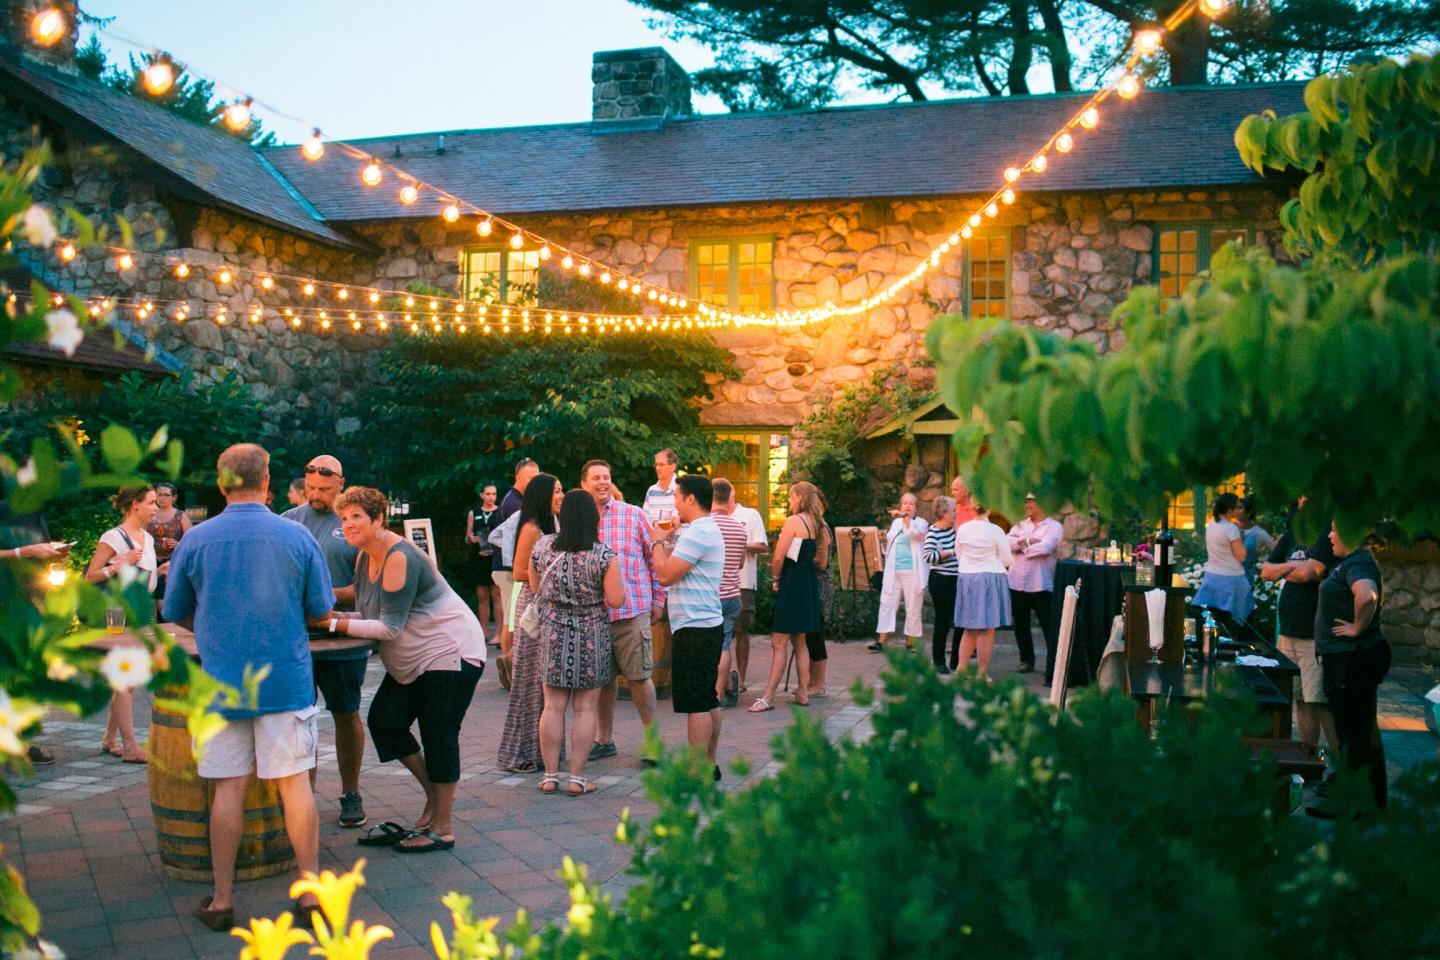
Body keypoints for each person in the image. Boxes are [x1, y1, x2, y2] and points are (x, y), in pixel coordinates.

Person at [163, 443, 327, 931]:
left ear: (220, 482)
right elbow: (318, 609)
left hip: (219, 684)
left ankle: (221, 899)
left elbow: (174, 611)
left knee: (226, 790)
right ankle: (312, 895)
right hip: (285, 679)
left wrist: (213, 631)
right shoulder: (296, 537)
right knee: (295, 786)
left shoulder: (196, 540)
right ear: (267, 479)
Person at [321, 487, 486, 852]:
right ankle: (434, 795)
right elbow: (366, 613)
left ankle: (442, 828)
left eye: (356, 518)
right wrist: (326, 610)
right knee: (385, 721)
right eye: (343, 518)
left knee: (439, 735)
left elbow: (388, 627)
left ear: (378, 519)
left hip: (449, 653)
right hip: (414, 659)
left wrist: (329, 624)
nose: (347, 525)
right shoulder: (366, 556)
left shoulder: (399, 557)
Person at [283, 455, 368, 830]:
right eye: (311, 489)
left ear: (341, 484)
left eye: (324, 489)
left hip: (342, 639)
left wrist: (320, 597)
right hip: (297, 640)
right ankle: (305, 800)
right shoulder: (288, 521)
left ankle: (351, 792)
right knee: (300, 719)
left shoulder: (353, 523)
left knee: (346, 713)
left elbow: (366, 588)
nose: (316, 495)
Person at [530, 490, 623, 796]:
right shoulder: (604, 555)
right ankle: (577, 779)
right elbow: (616, 599)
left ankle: (549, 776)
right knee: (585, 709)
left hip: (553, 633)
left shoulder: (542, 548)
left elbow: (534, 587)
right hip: (591, 635)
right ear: (592, 519)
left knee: (553, 706)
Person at [580, 460, 663, 764]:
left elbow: (655, 559)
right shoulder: (580, 520)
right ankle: (604, 739)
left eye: (606, 477)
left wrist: (658, 601)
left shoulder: (634, 515)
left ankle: (652, 742)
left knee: (640, 678)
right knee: (603, 681)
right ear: (585, 484)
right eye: (596, 478)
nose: (603, 482)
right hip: (593, 616)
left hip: (631, 611)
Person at [1309, 522, 1391, 817]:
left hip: (1353, 659)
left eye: (1334, 529)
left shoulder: (1358, 562)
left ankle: (1356, 806)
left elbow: (1367, 595)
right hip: (1348, 658)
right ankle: (1369, 804)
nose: (1329, 535)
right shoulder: (1351, 562)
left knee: (1355, 733)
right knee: (1360, 732)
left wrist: (1357, 627)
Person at [651, 475, 727, 779]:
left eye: (678, 498)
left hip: (695, 626)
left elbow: (666, 576)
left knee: (696, 700)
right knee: (707, 697)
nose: (676, 505)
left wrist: (657, 540)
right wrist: (670, 543)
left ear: (691, 499)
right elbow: (679, 568)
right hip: (705, 622)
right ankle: (708, 763)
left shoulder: (699, 532)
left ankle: (698, 770)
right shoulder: (703, 531)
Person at [1261, 498, 1339, 766]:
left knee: (1320, 701)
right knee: (1300, 700)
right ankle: (1308, 759)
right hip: (1288, 631)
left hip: (1313, 632)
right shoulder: (1291, 536)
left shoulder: (1327, 536)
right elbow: (1265, 572)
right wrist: (1295, 568)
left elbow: (1309, 574)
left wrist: (1285, 570)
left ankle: (1341, 768)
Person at [85, 485, 160, 764]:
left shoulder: (148, 539)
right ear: (134, 505)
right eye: (151, 503)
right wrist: (118, 565)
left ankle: (109, 738)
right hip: (116, 613)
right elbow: (91, 576)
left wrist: (160, 571)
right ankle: (130, 745)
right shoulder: (113, 537)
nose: (156, 507)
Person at [497, 472, 562, 773]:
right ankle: (522, 752)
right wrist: (548, 575)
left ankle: (542, 750)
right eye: (557, 492)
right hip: (532, 605)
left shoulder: (551, 525)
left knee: (542, 681)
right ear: (543, 495)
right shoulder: (532, 528)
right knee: (528, 680)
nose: (561, 496)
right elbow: (519, 571)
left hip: (544, 603)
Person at [0, 501, 70, 765]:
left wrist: (57, 554)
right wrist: (24, 551)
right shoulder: (5, 510)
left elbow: (43, 549)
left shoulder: (37, 511)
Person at [750, 481, 828, 712]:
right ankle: (803, 692)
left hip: (792, 584)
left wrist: (776, 578)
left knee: (778, 642)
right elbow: (820, 560)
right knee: (800, 641)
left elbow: (778, 557)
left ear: (799, 497)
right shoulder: (817, 524)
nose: (789, 502)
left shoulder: (794, 521)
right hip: (808, 584)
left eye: (791, 497)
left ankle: (768, 696)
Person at [953, 499, 1013, 679]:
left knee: (970, 627)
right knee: (987, 629)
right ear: (990, 508)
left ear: (972, 506)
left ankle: (961, 669)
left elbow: (959, 554)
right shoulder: (996, 530)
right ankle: (981, 673)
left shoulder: (963, 529)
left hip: (967, 577)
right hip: (989, 577)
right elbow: (1007, 560)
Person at [1007, 493, 1064, 678]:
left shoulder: (1054, 527)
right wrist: (1030, 541)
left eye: (1031, 501)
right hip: (1017, 581)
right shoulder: (1019, 525)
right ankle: (1026, 660)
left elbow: (1046, 548)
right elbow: (1007, 543)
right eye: (1026, 501)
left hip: (1040, 583)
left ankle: (1054, 663)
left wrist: (1021, 544)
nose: (1027, 505)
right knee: (1020, 624)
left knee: (1048, 624)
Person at [493, 458, 539, 662]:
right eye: (529, 479)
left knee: (512, 617)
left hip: (511, 568)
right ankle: (507, 664)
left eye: (536, 479)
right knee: (511, 620)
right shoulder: (514, 504)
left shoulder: (518, 500)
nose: (533, 484)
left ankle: (508, 663)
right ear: (517, 477)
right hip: (509, 569)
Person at [871, 493, 929, 652]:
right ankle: (882, 641)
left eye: (911, 504)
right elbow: (888, 545)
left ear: (916, 508)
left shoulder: (921, 523)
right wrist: (883, 542)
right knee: (887, 603)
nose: (908, 506)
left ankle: (911, 642)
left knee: (913, 607)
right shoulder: (896, 523)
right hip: (893, 571)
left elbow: (915, 535)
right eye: (905, 503)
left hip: (912, 571)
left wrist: (906, 519)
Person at [710, 479, 749, 707]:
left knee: (714, 646)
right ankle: (724, 688)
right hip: (733, 595)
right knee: (724, 644)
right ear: (728, 498)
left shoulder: (706, 525)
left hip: (711, 596)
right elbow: (741, 563)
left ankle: (715, 693)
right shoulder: (739, 527)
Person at [1192, 493, 1254, 627]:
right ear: (1230, 509)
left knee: (1212, 617)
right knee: (1232, 620)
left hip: (1212, 576)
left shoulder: (1211, 525)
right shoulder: (1231, 528)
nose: (1239, 510)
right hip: (1231, 578)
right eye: (1237, 507)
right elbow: (1241, 555)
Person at [728, 492, 769, 694]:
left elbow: (763, 546)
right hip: (717, 582)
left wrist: (739, 544)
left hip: (743, 581)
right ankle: (723, 678)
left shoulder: (750, 515)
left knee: (742, 630)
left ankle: (741, 678)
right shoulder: (711, 516)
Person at [923, 496, 960, 674]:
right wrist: (950, 553)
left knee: (959, 621)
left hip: (956, 580)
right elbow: (929, 556)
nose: (956, 514)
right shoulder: (933, 532)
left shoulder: (955, 531)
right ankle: (939, 660)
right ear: (944, 513)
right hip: (940, 580)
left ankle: (957, 661)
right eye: (953, 511)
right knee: (942, 622)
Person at [804, 490, 836, 699]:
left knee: (816, 634)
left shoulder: (821, 528)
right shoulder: (813, 527)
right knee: (809, 634)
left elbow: (822, 562)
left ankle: (819, 683)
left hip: (820, 585)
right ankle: (811, 681)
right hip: (811, 583)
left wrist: (799, 557)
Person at [466, 484, 502, 626]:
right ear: (481, 495)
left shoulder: (500, 512)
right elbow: (467, 537)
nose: (491, 497)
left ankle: (499, 633)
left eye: (494, 494)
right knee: (482, 596)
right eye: (488, 494)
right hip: (478, 557)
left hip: (495, 558)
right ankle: (483, 631)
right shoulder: (473, 513)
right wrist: (470, 538)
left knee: (497, 595)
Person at [1237, 496, 1276, 581]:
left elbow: (1275, 551)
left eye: (1240, 508)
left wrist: (1263, 561)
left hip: (1248, 579)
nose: (1236, 511)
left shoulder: (1259, 533)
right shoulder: (1231, 529)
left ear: (1249, 512)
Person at [642, 448, 679, 525]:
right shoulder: (651, 490)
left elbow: (679, 520)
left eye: (661, 465)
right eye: (656, 465)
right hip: (655, 536)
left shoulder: (682, 489)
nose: (657, 468)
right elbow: (644, 519)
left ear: (673, 467)